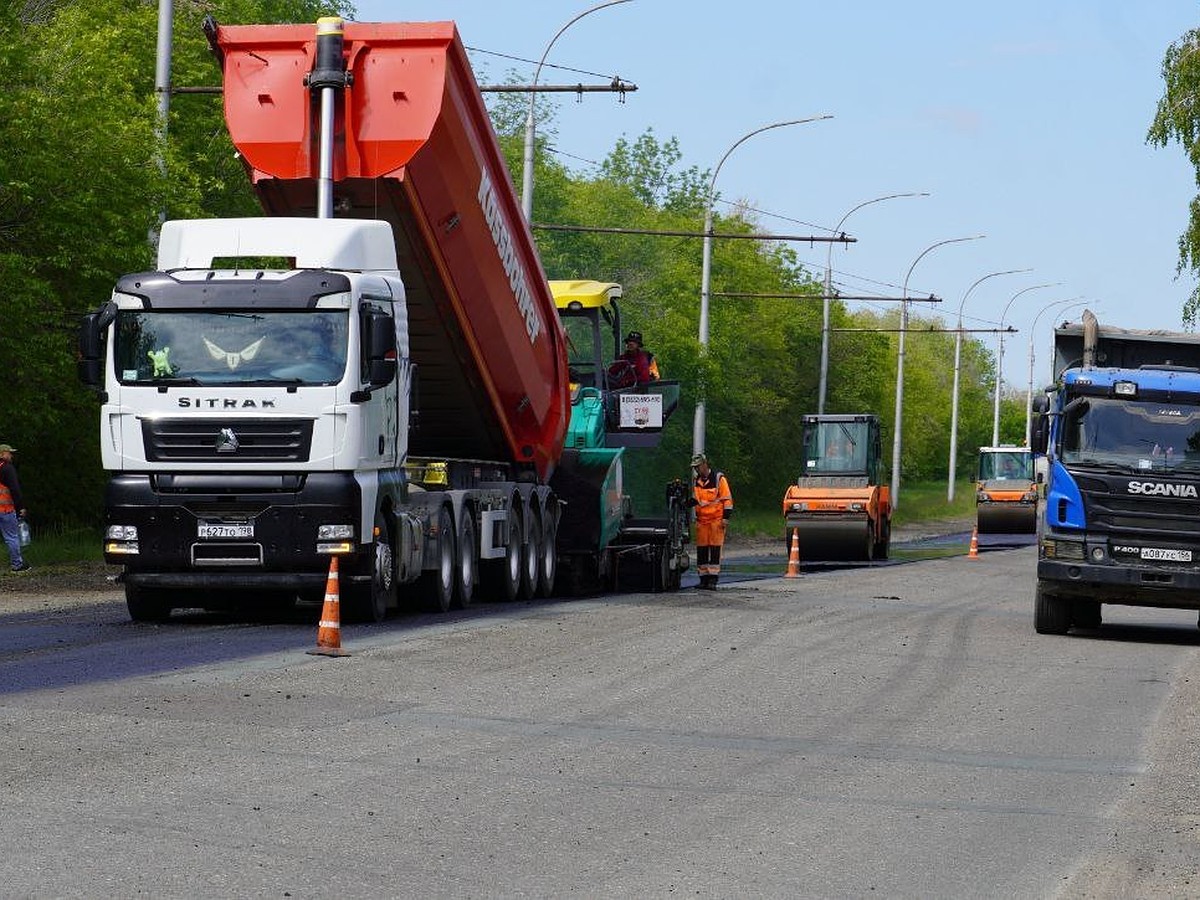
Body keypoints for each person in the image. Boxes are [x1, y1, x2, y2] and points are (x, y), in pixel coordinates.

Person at [690, 452, 733, 589]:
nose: (696, 469)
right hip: (702, 521)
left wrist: (726, 518)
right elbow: (697, 500)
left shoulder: (719, 479)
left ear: (704, 464)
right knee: (702, 550)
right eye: (695, 467)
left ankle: (713, 580)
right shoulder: (697, 481)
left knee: (715, 550)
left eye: (698, 467)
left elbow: (727, 500)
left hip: (716, 520)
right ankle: (703, 579)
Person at [0, 443, 30, 573]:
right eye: (9, 453)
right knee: (11, 537)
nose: (11, 455)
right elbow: (15, 489)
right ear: (2, 454)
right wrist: (20, 507)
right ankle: (17, 565)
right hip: (5, 509)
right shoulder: (7, 468)